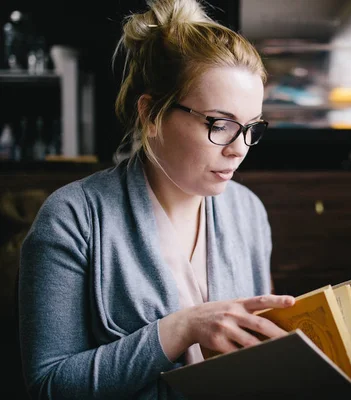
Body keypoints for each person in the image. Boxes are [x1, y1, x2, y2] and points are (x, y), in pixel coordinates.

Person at [17, 0, 296, 398]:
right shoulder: (72, 218)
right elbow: (49, 386)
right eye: (220, 124)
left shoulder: (248, 211)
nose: (239, 149)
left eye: (252, 128)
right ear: (150, 114)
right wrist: (181, 329)